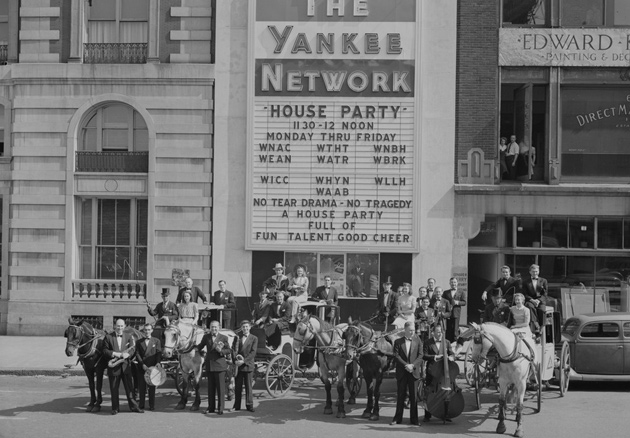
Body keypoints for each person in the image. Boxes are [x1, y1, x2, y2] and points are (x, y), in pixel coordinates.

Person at [103, 319, 142, 415]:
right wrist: (116, 354)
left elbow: (133, 349)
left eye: (121, 326)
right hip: (114, 367)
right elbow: (104, 350)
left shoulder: (129, 336)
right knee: (114, 388)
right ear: (115, 326)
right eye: (118, 326)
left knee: (130, 388)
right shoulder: (108, 337)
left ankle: (134, 407)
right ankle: (115, 408)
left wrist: (128, 355)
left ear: (124, 326)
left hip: (126, 366)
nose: (119, 328)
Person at [390, 321, 423, 426]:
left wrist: (412, 365)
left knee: (414, 397)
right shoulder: (398, 342)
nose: (412, 332)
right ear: (405, 330)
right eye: (410, 330)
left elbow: (420, 355)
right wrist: (406, 365)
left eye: (413, 330)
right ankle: (397, 419)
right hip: (402, 372)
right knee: (400, 396)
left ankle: (414, 420)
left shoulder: (418, 341)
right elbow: (396, 356)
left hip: (413, 372)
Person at [198, 320, 232, 415]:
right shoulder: (206, 337)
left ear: (219, 327)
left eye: (215, 327)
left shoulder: (224, 337)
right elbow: (200, 346)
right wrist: (192, 348)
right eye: (212, 327)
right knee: (211, 389)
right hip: (210, 365)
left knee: (221, 389)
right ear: (210, 328)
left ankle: (220, 408)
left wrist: (221, 351)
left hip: (220, 366)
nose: (214, 329)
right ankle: (211, 408)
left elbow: (229, 350)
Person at [422, 323, 455, 422]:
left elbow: (451, 353)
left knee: (445, 393)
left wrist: (452, 357)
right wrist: (434, 357)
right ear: (433, 333)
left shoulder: (447, 342)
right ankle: (427, 415)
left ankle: (446, 414)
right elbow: (424, 355)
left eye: (441, 332)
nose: (439, 334)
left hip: (444, 371)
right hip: (432, 370)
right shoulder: (428, 342)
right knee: (429, 392)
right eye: (437, 332)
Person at [134, 323, 162, 411]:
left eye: (149, 330)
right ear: (143, 331)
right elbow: (137, 354)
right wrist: (142, 364)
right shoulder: (139, 342)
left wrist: (158, 363)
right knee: (142, 387)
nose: (147, 332)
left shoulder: (156, 341)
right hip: (142, 367)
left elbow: (158, 353)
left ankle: (151, 405)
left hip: (152, 367)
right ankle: (141, 404)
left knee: (152, 387)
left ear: (152, 330)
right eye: (145, 330)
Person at [232, 320, 258, 413]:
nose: (245, 328)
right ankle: (237, 405)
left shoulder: (254, 338)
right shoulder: (237, 337)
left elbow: (253, 352)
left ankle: (249, 405)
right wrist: (235, 360)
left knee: (248, 387)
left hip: (247, 365)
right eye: (243, 327)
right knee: (237, 387)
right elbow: (233, 350)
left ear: (250, 327)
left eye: (247, 327)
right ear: (241, 328)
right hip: (238, 366)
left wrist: (244, 361)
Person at [521, 264, 549, 330]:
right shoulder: (525, 282)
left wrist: (539, 300)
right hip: (530, 300)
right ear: (530, 272)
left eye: (536, 271)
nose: (535, 273)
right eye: (533, 271)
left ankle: (542, 327)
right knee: (530, 307)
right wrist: (532, 300)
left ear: (538, 271)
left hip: (540, 300)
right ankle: (535, 323)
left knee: (542, 310)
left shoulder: (544, 281)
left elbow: (545, 293)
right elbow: (524, 293)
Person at [443, 277, 467, 342]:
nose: (453, 284)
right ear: (449, 283)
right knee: (448, 330)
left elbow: (464, 302)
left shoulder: (461, 292)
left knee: (455, 331)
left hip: (456, 313)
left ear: (457, 283)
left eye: (454, 282)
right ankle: (448, 346)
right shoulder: (446, 292)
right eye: (452, 282)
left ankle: (454, 346)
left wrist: (457, 302)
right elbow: (443, 302)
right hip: (448, 314)